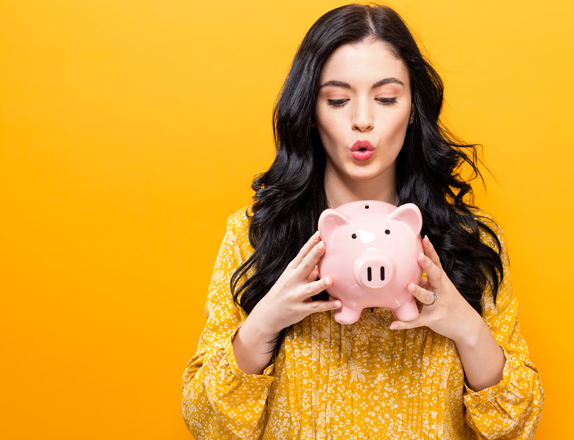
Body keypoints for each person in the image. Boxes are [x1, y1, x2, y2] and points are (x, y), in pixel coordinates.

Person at [182, 3, 544, 439]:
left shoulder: (464, 240)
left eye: (387, 98)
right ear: (311, 113)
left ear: (413, 109)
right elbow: (205, 424)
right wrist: (264, 322)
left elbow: (517, 426)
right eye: (337, 100)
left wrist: (467, 327)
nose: (362, 121)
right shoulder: (256, 235)